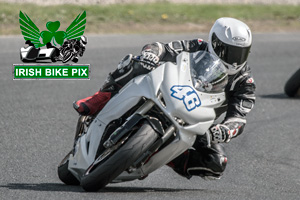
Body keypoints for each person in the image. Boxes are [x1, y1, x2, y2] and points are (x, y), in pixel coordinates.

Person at [73, 17, 256, 180]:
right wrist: (151, 54)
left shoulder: (244, 82)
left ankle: (164, 158)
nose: (234, 60)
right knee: (137, 63)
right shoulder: (198, 46)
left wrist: (225, 130)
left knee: (216, 163)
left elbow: (239, 118)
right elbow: (163, 47)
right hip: (168, 90)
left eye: (241, 53)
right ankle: (99, 98)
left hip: (197, 122)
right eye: (229, 52)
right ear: (214, 43)